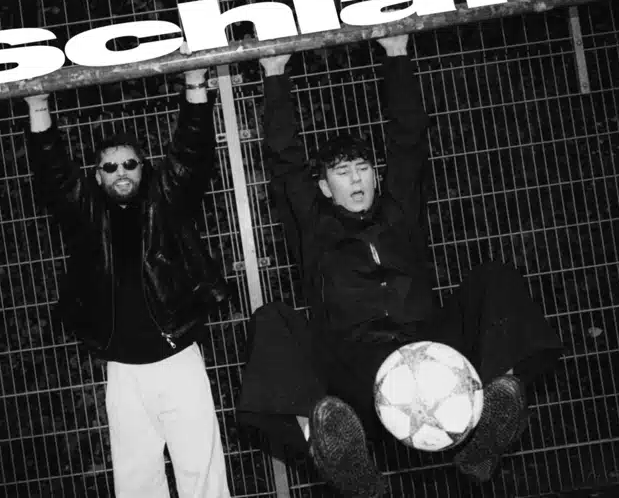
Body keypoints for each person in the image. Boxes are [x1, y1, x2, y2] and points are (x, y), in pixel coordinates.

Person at [237, 34, 564, 497]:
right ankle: (330, 446)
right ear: (325, 188)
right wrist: (273, 75)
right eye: (342, 172)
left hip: (429, 348)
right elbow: (285, 163)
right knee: (273, 319)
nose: (356, 178)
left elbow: (408, 142)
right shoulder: (314, 228)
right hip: (354, 367)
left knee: (496, 276)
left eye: (363, 168)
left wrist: (396, 54)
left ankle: (496, 409)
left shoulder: (399, 214)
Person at [22, 44, 233, 498]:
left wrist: (195, 85)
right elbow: (55, 177)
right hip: (123, 369)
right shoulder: (87, 216)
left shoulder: (165, 202)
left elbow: (192, 155)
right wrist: (38, 108)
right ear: (97, 176)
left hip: (177, 357)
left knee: (202, 471)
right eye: (110, 166)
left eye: (130, 164)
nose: (121, 172)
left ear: (144, 169)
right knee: (136, 481)